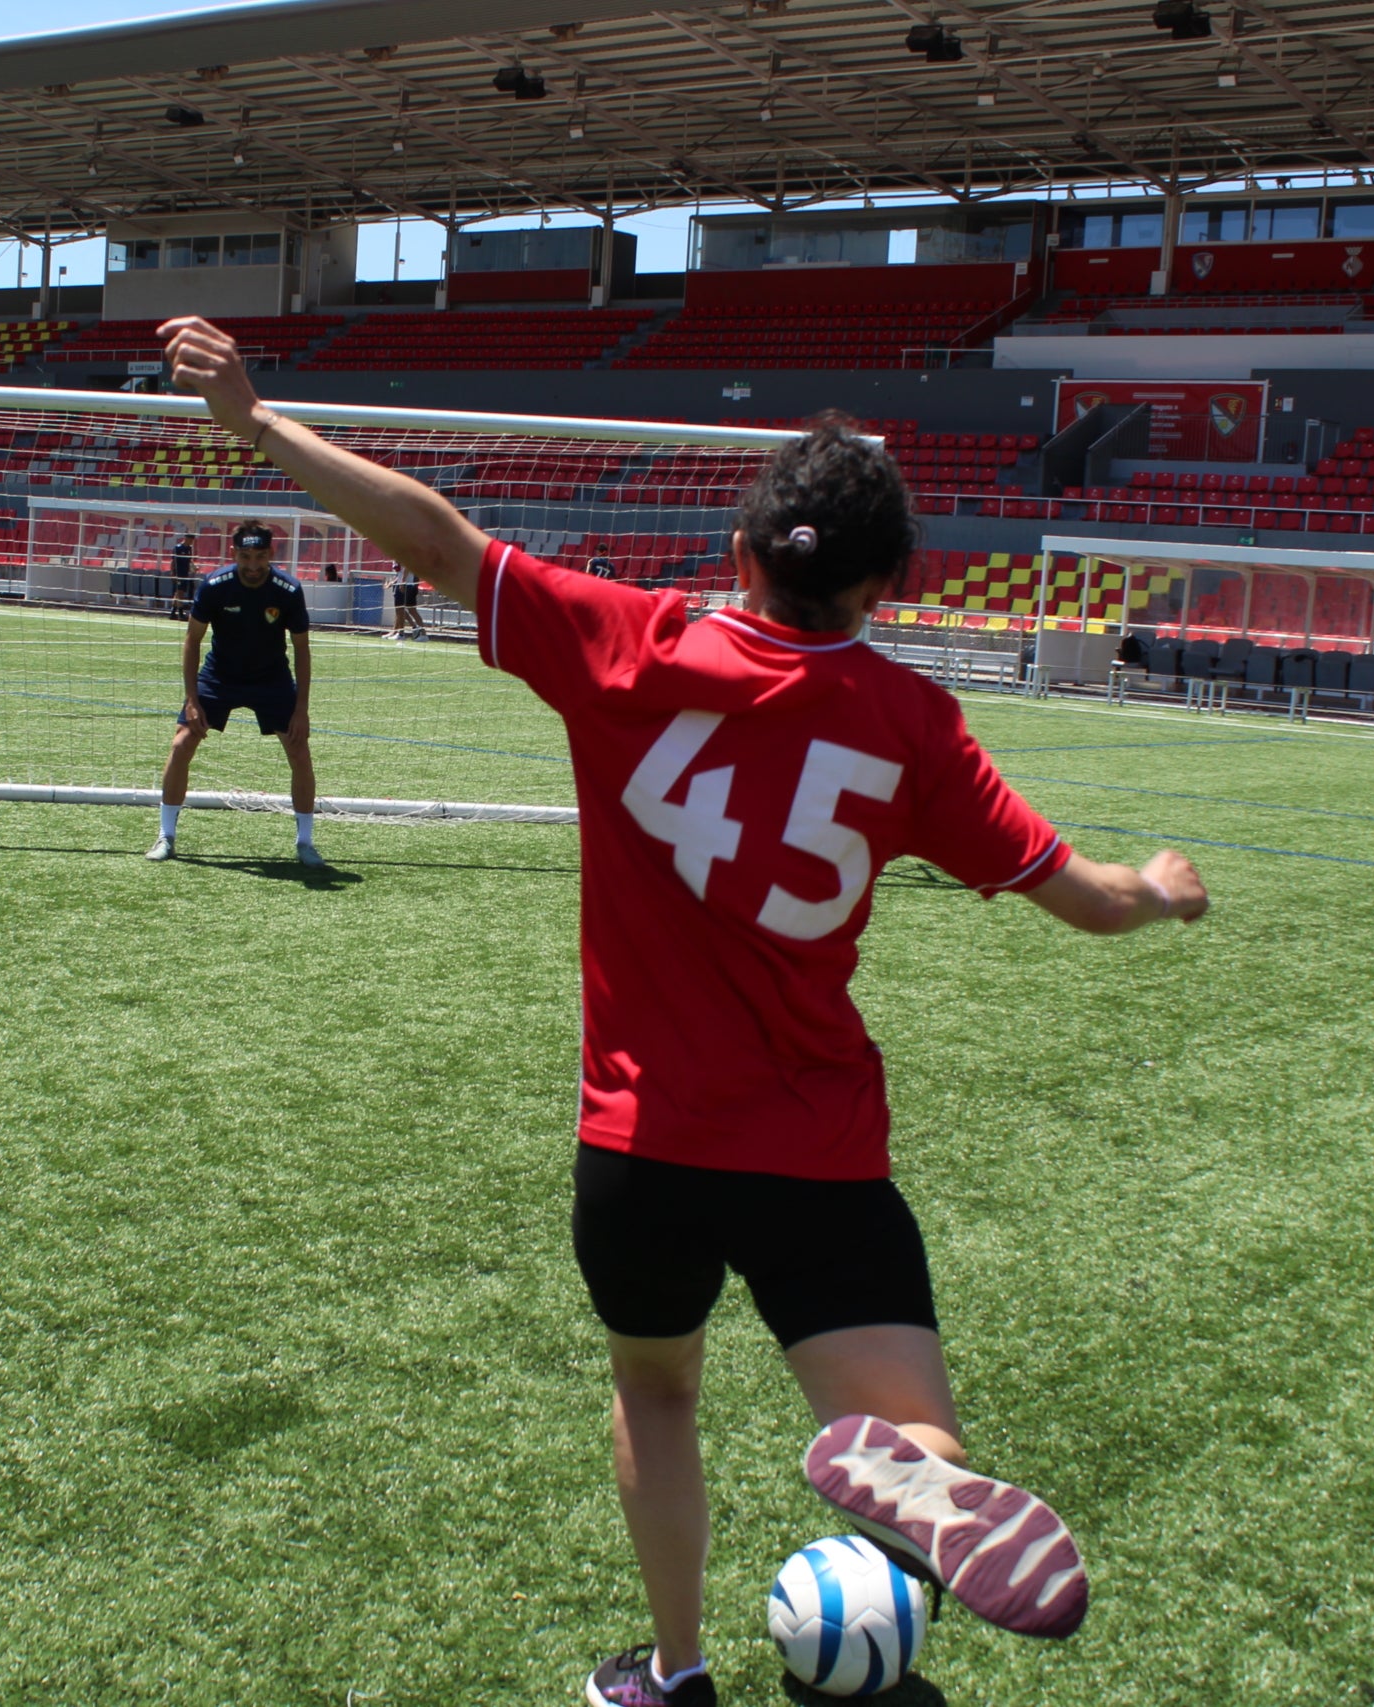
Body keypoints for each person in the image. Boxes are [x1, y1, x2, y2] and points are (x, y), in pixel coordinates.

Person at [159, 315, 1213, 1707]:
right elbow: (1079, 896)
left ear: (736, 552)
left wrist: (257, 423)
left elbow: (435, 540)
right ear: (886, 586)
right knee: (912, 1421)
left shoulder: (626, 642)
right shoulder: (913, 726)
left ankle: (675, 1667)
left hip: (643, 1141)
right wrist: (1157, 889)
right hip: (816, 1143)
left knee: (657, 1391)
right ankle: (921, 1478)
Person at [150, 518, 320, 866]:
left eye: (260, 557)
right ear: (234, 554)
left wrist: (301, 708)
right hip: (220, 677)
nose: (253, 565)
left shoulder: (288, 590)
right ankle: (166, 836)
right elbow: (192, 640)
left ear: (271, 553)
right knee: (181, 743)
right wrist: (192, 700)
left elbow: (302, 649)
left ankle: (305, 843)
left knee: (299, 749)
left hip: (271, 679)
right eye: (245, 557)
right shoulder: (215, 585)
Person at [389, 560, 426, 639]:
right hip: (406, 584)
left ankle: (401, 634)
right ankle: (422, 634)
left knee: (402, 610)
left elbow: (407, 565)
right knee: (406, 610)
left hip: (406, 585)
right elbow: (400, 573)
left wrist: (403, 581)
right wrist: (392, 582)